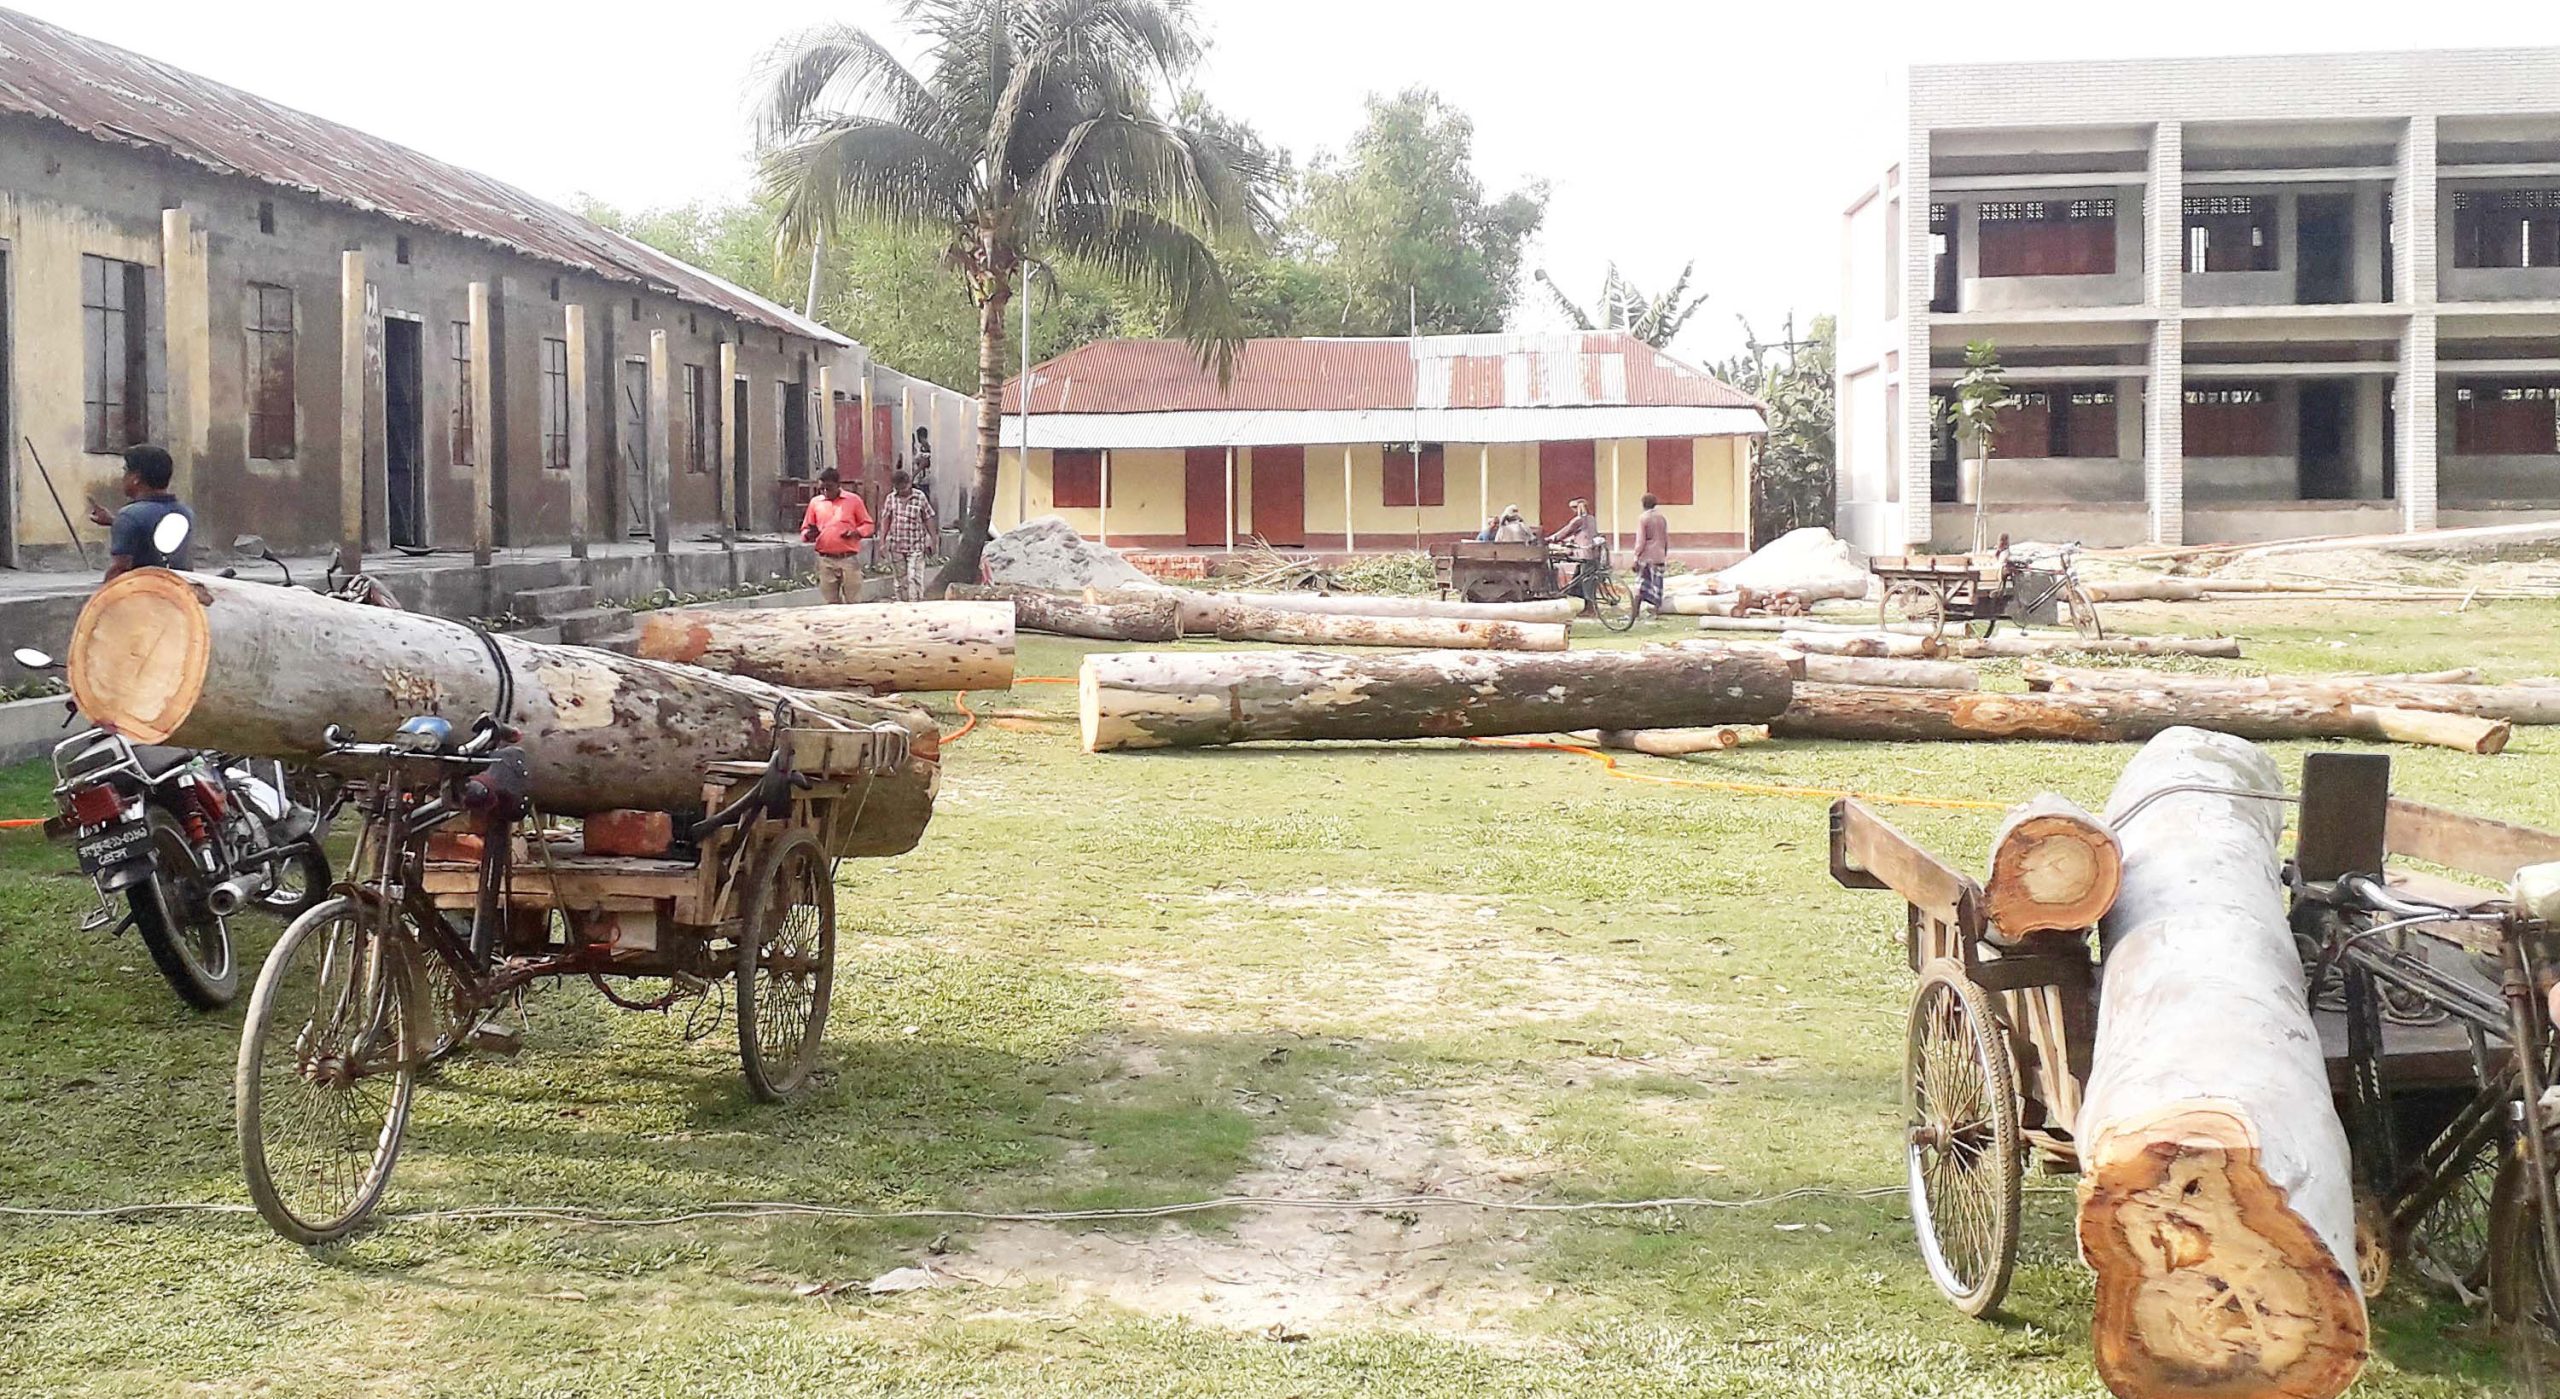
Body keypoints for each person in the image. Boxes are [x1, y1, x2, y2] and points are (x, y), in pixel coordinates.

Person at [89, 443, 193, 581]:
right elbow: (153, 531)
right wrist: (114, 522)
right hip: (176, 592)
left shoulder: (129, 516)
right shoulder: (185, 512)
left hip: (144, 595)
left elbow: (121, 568)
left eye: (125, 471)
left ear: (136, 478)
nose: (123, 477)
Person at [800, 468, 873, 604]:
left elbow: (868, 525)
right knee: (830, 602)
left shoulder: (853, 500)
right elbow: (805, 529)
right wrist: (809, 534)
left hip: (848, 558)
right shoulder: (815, 503)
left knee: (853, 601)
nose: (826, 492)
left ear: (838, 485)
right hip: (825, 559)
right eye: (822, 489)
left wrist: (856, 532)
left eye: (829, 488)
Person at [878, 468, 940, 602]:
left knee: (914, 578)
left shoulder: (920, 497)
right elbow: (885, 520)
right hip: (897, 546)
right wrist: (882, 542)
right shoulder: (891, 499)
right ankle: (902, 604)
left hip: (916, 545)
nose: (903, 491)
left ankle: (916, 604)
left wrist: (933, 540)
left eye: (905, 487)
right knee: (900, 580)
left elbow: (928, 518)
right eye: (899, 488)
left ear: (909, 483)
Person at [1548, 497, 1601, 614]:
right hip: (1594, 551)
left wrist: (1552, 538)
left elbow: (1567, 530)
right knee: (1579, 577)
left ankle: (1590, 607)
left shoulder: (1578, 520)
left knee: (1586, 580)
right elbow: (1583, 533)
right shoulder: (1591, 519)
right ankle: (1579, 600)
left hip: (1584, 552)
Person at [1634, 492, 1670, 618]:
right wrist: (1664, 552)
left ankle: (1635, 613)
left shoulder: (1643, 518)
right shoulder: (1661, 518)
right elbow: (1665, 538)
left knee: (1640, 585)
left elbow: (1641, 540)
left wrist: (1636, 556)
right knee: (1657, 585)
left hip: (1646, 557)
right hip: (1659, 555)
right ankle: (1656, 612)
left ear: (1643, 504)